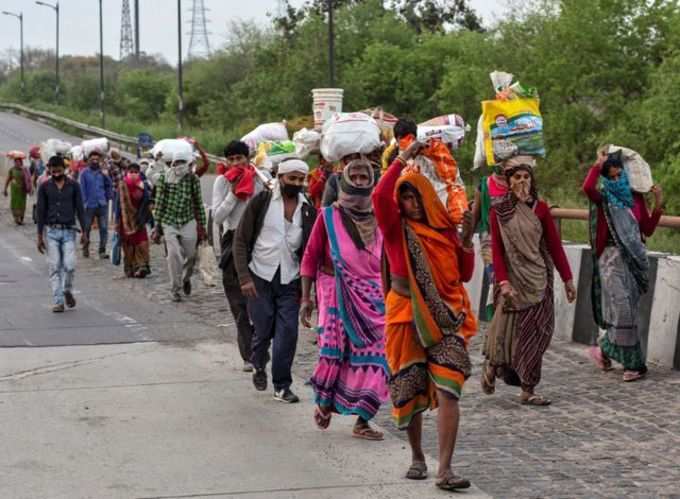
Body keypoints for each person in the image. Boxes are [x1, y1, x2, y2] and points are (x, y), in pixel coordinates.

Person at [373, 141, 477, 491]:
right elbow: (378, 197)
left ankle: (445, 469)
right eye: (404, 198)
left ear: (427, 198)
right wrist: (402, 158)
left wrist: (466, 243)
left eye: (416, 197)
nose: (410, 204)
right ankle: (417, 456)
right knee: (410, 388)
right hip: (405, 315)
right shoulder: (394, 229)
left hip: (447, 316)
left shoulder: (445, 230)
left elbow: (462, 274)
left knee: (451, 387)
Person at [300, 159, 389, 439]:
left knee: (378, 355)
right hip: (333, 290)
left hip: (373, 295)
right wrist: (306, 298)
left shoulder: (381, 216)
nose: (361, 181)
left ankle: (362, 419)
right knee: (334, 351)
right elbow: (310, 256)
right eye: (357, 177)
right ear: (346, 181)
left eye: (366, 177)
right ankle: (325, 401)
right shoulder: (328, 216)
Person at [481, 162, 576, 405]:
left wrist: (567, 279)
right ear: (509, 182)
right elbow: (498, 251)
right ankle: (509, 376)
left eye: (527, 177)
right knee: (509, 334)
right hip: (513, 281)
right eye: (517, 177)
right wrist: (503, 282)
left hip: (538, 278)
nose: (523, 181)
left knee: (540, 332)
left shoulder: (541, 210)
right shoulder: (499, 211)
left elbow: (554, 246)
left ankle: (524, 384)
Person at [232, 158, 316, 403]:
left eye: (301, 179)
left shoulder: (307, 208)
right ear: (281, 178)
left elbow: (311, 249)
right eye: (292, 178)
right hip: (259, 276)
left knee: (288, 333)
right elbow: (240, 241)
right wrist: (244, 278)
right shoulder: (261, 202)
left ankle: (282, 385)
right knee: (263, 329)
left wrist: (310, 289)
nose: (297, 184)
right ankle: (258, 363)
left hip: (290, 279)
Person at [584, 150, 664, 382]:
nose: (618, 180)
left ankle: (604, 349)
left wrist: (658, 202)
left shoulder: (635, 199)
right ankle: (635, 364)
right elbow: (587, 188)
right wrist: (596, 165)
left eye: (621, 175)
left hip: (633, 260)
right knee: (622, 310)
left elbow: (646, 229)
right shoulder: (604, 197)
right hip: (610, 258)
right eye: (613, 177)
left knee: (629, 311)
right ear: (607, 177)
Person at [212, 141, 269, 372]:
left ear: (248, 158)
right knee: (239, 302)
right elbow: (217, 216)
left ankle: (261, 344)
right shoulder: (221, 181)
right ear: (227, 162)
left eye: (240, 159)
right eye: (232, 159)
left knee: (262, 299)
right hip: (233, 240)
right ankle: (249, 355)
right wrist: (234, 194)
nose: (236, 163)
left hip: (260, 241)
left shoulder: (260, 178)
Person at [151, 149, 207, 302]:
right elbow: (160, 202)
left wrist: (203, 225)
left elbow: (198, 203)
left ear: (188, 164)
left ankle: (186, 278)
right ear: (173, 163)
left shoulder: (193, 179)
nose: (180, 166)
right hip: (169, 221)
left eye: (183, 163)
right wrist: (157, 227)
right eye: (177, 163)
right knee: (174, 254)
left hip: (187, 220)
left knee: (191, 256)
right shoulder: (165, 179)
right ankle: (175, 288)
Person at [36, 156, 87, 313]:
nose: (55, 171)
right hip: (51, 232)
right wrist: (39, 236)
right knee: (54, 267)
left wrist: (85, 231)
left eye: (58, 168)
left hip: (69, 231)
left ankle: (67, 290)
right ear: (49, 169)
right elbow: (40, 211)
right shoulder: (44, 187)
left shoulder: (74, 186)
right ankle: (58, 301)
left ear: (64, 168)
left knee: (70, 266)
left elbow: (80, 209)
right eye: (52, 168)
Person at [115, 163, 152, 278]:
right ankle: (130, 267)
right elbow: (118, 205)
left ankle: (142, 266)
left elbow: (147, 202)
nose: (133, 174)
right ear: (127, 173)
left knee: (142, 243)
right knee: (129, 245)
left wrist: (150, 220)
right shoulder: (122, 185)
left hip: (139, 219)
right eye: (131, 172)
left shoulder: (143, 185)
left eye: (136, 172)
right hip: (125, 221)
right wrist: (117, 221)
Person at [79, 150, 112, 259]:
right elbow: (82, 189)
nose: (95, 161)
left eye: (97, 159)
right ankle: (85, 247)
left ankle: (102, 250)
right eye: (92, 159)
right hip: (89, 205)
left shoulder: (103, 173)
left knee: (103, 228)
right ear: (89, 160)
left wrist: (107, 197)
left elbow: (109, 185)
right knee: (87, 227)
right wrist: (84, 202)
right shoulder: (84, 173)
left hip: (102, 204)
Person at [4, 153, 30, 225]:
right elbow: (8, 180)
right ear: (14, 162)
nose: (18, 163)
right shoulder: (11, 170)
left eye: (19, 162)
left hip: (22, 190)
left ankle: (21, 218)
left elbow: (28, 180)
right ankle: (16, 218)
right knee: (15, 203)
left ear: (21, 162)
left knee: (22, 204)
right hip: (14, 190)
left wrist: (30, 188)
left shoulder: (25, 170)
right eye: (16, 162)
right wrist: (5, 189)